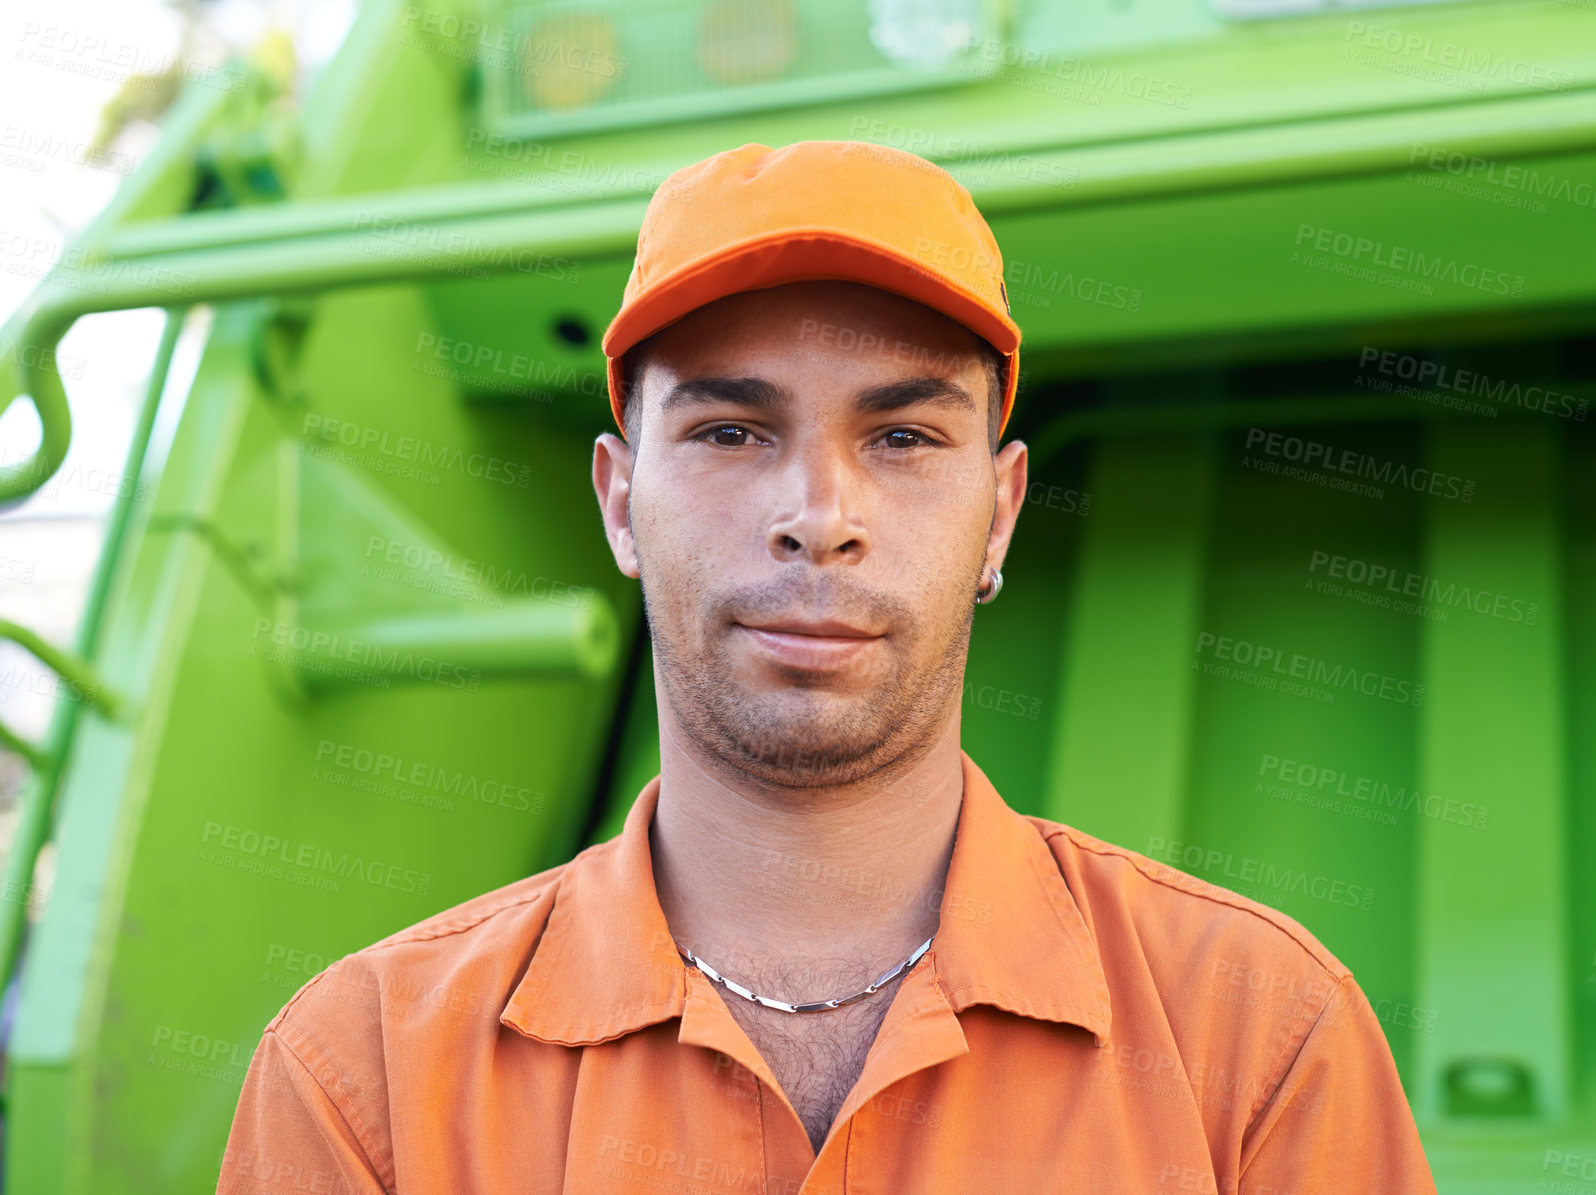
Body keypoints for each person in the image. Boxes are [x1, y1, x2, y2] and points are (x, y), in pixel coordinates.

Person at [217, 140, 1437, 1193]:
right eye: (731, 431)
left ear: (998, 516)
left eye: (901, 435)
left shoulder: (1263, 1034)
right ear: (620, 501)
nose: (818, 513)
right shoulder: (362, 1068)